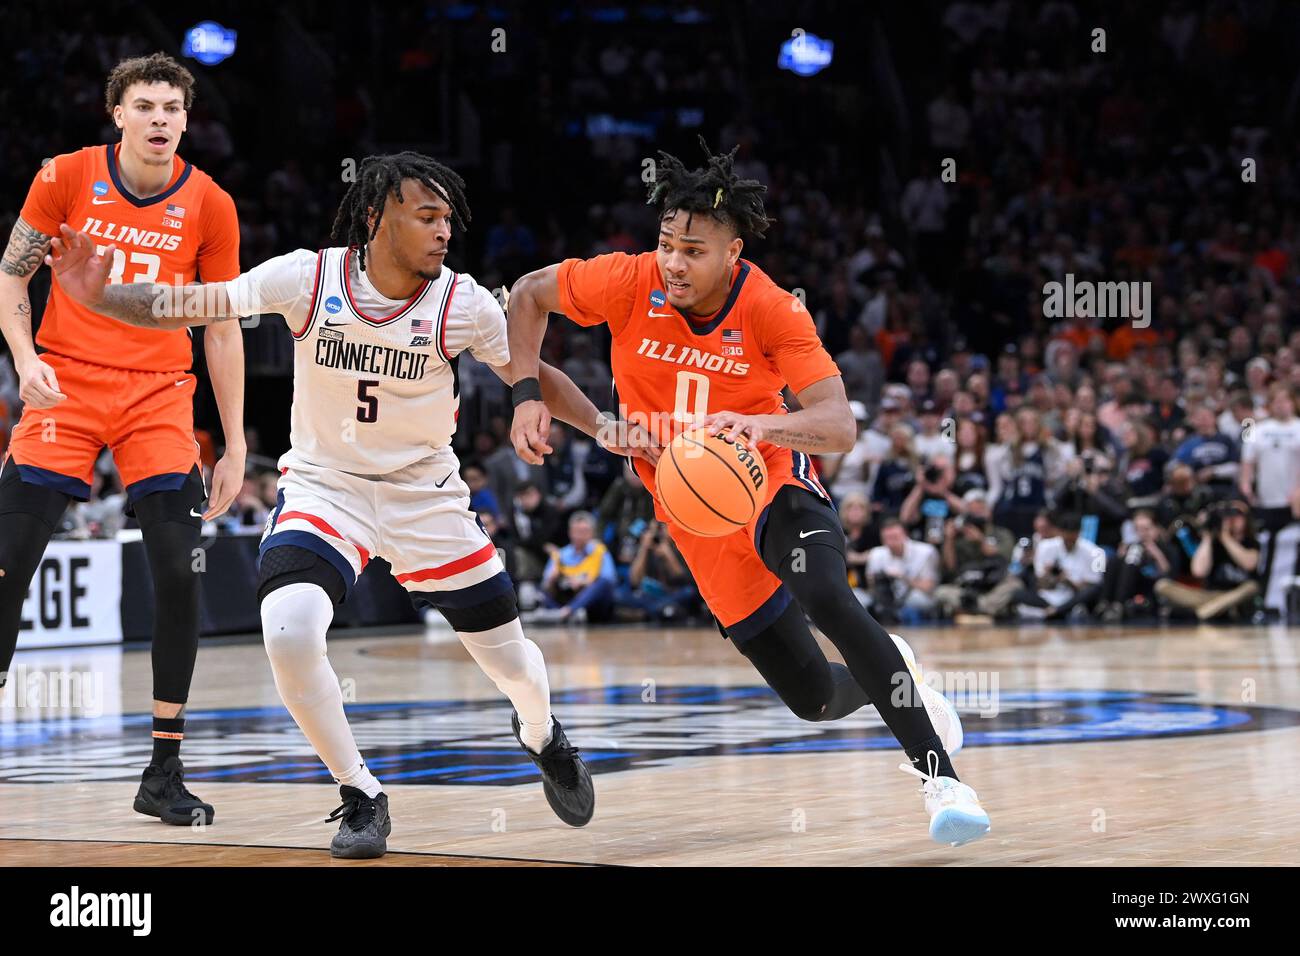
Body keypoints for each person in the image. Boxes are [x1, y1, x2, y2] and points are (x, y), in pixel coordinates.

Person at [47, 151, 595, 858]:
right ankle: (360, 792)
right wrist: (99, 295)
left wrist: (606, 430)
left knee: (513, 666)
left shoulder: (464, 303)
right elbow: (191, 303)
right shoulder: (308, 278)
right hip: (326, 488)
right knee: (289, 627)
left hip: (424, 497)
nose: (444, 231)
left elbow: (534, 371)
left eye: (448, 219)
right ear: (377, 216)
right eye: (426, 216)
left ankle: (542, 733)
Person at [505, 139, 988, 846]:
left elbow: (838, 425)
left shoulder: (771, 309)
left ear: (733, 254)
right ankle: (898, 668)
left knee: (827, 595)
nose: (674, 261)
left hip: (766, 480)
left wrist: (759, 422)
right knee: (815, 698)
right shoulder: (625, 280)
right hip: (691, 508)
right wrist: (534, 400)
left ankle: (942, 778)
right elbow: (525, 296)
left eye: (694, 250)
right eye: (667, 242)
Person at [0, 53, 245, 827]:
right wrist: (26, 360)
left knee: (180, 572)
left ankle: (162, 771)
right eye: (145, 106)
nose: (162, 119)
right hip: (64, 383)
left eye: (173, 107)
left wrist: (235, 443)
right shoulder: (64, 176)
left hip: (159, 397)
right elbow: (11, 277)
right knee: (9, 565)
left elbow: (223, 322)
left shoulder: (210, 203)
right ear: (118, 114)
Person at [1155, 499, 1261, 621]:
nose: (1232, 518)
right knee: (1162, 585)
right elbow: (1198, 571)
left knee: (1252, 586)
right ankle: (1215, 610)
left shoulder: (1251, 542)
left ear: (1247, 518)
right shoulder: (1213, 542)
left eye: (1237, 514)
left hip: (1236, 595)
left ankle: (1204, 612)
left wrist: (1226, 537)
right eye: (1228, 514)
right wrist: (1207, 536)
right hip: (1209, 596)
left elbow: (1249, 564)